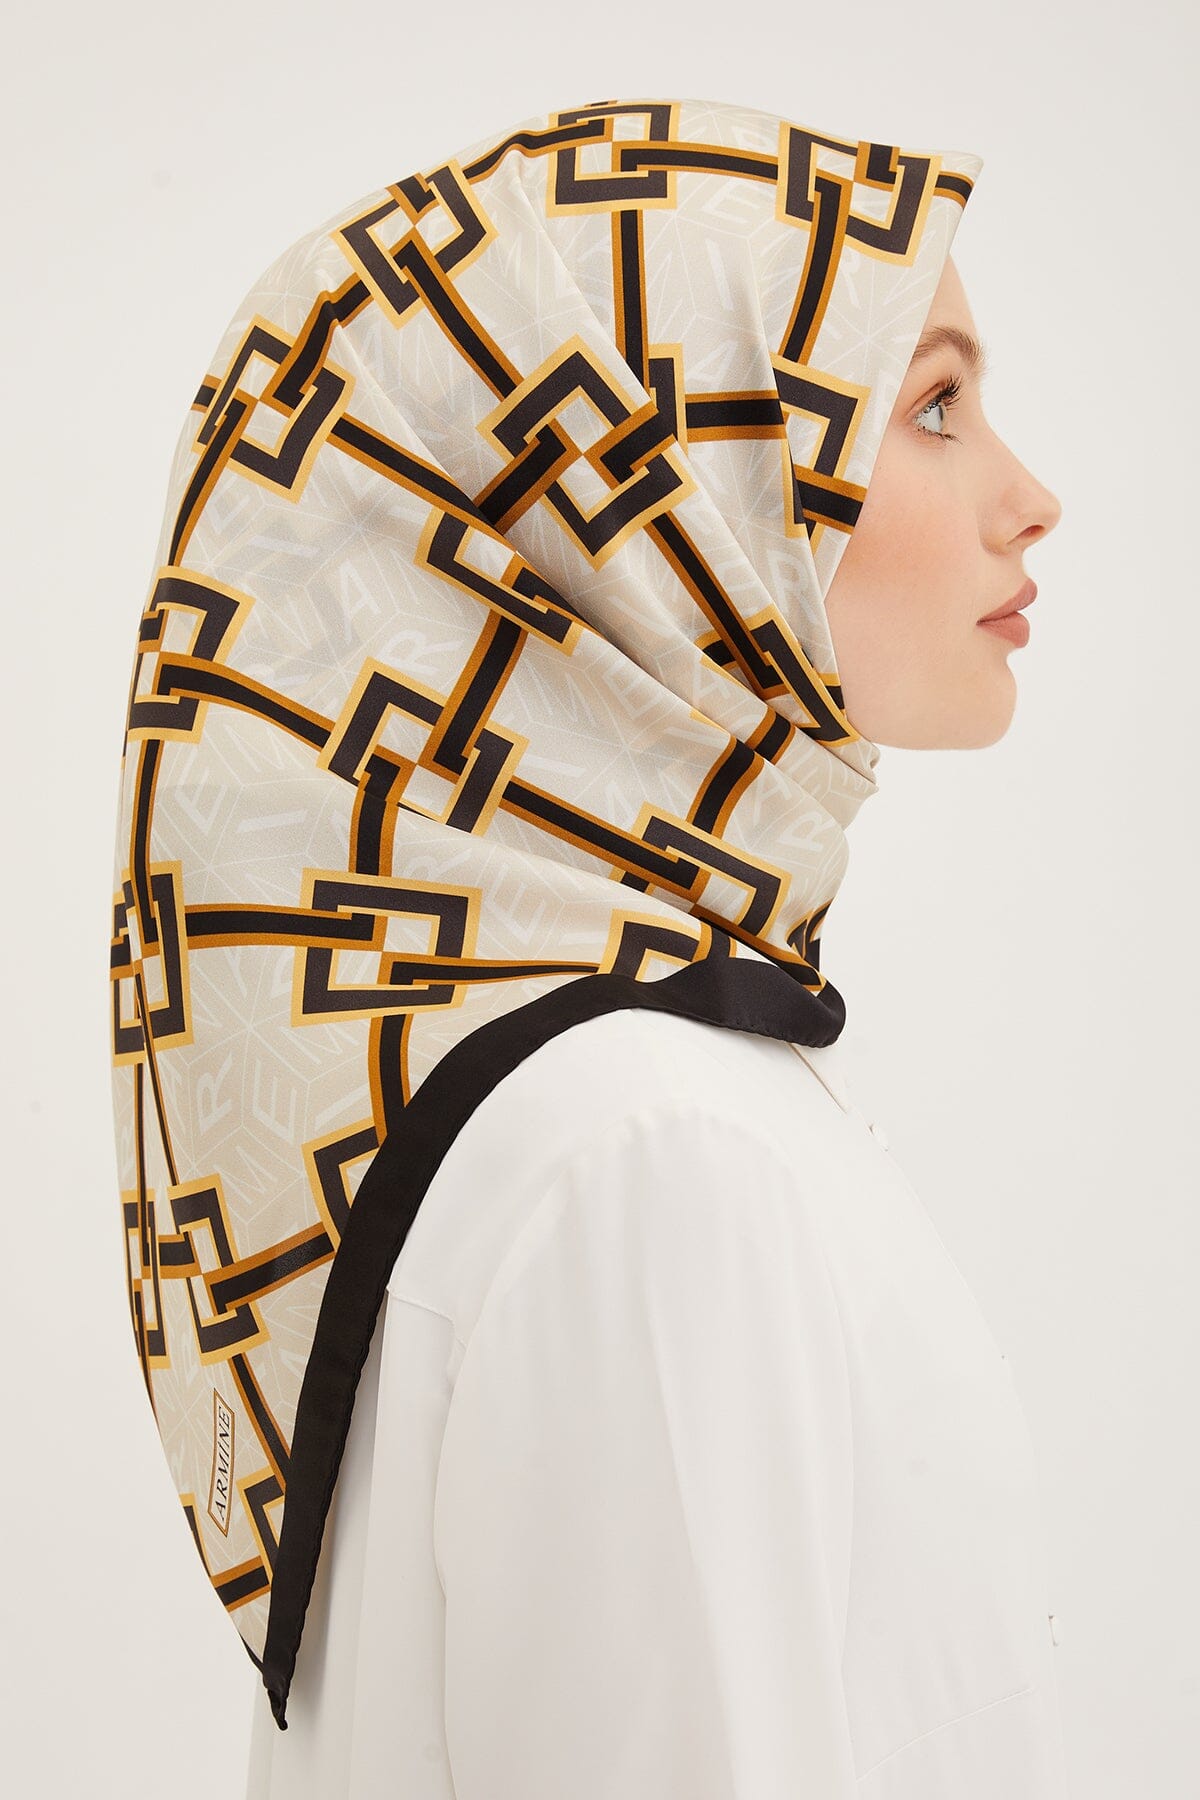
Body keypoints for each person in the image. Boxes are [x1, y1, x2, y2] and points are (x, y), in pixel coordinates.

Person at [107, 96, 1065, 1800]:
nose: (1029, 500)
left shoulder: (575, 1103)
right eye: (932, 404)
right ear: (665, 500)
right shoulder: (651, 1149)